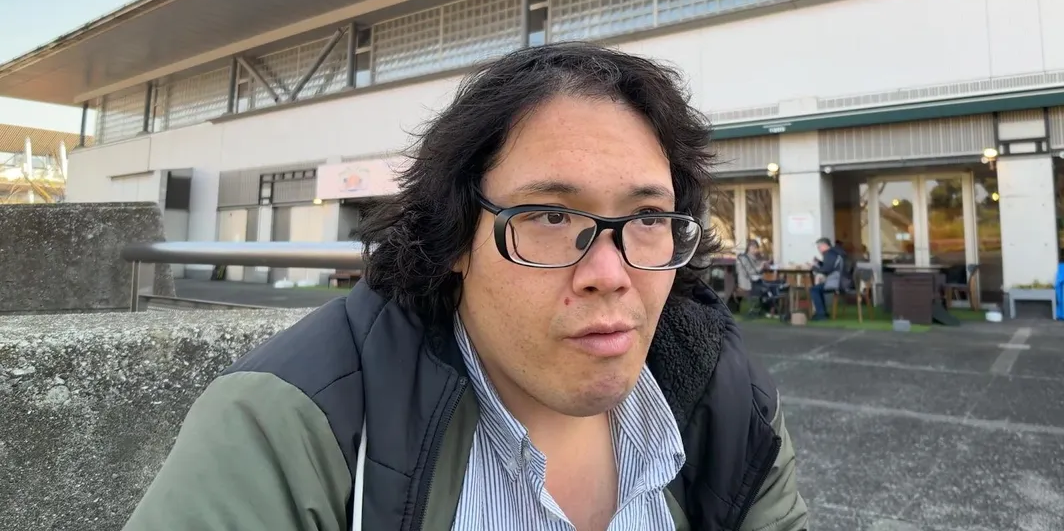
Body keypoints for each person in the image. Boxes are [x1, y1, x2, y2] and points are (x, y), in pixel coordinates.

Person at [124, 42, 808, 531]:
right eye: (550, 217)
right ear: (456, 238)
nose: (609, 274)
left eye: (649, 218)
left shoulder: (725, 398)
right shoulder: (293, 425)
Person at [735, 239, 782, 317]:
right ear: (749, 247)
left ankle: (772, 310)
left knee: (774, 285)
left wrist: (765, 265)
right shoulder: (744, 258)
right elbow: (750, 271)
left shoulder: (753, 257)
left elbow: (757, 269)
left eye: (756, 247)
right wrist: (761, 266)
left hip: (755, 280)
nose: (755, 249)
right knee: (769, 287)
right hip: (748, 283)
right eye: (753, 247)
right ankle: (770, 310)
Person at [809, 237, 847, 321]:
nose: (818, 249)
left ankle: (821, 314)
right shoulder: (834, 253)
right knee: (817, 289)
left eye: (819, 247)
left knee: (814, 290)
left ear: (825, 245)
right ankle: (822, 312)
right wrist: (819, 262)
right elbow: (829, 266)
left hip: (836, 282)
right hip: (840, 280)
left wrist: (814, 268)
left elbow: (826, 270)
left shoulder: (829, 254)